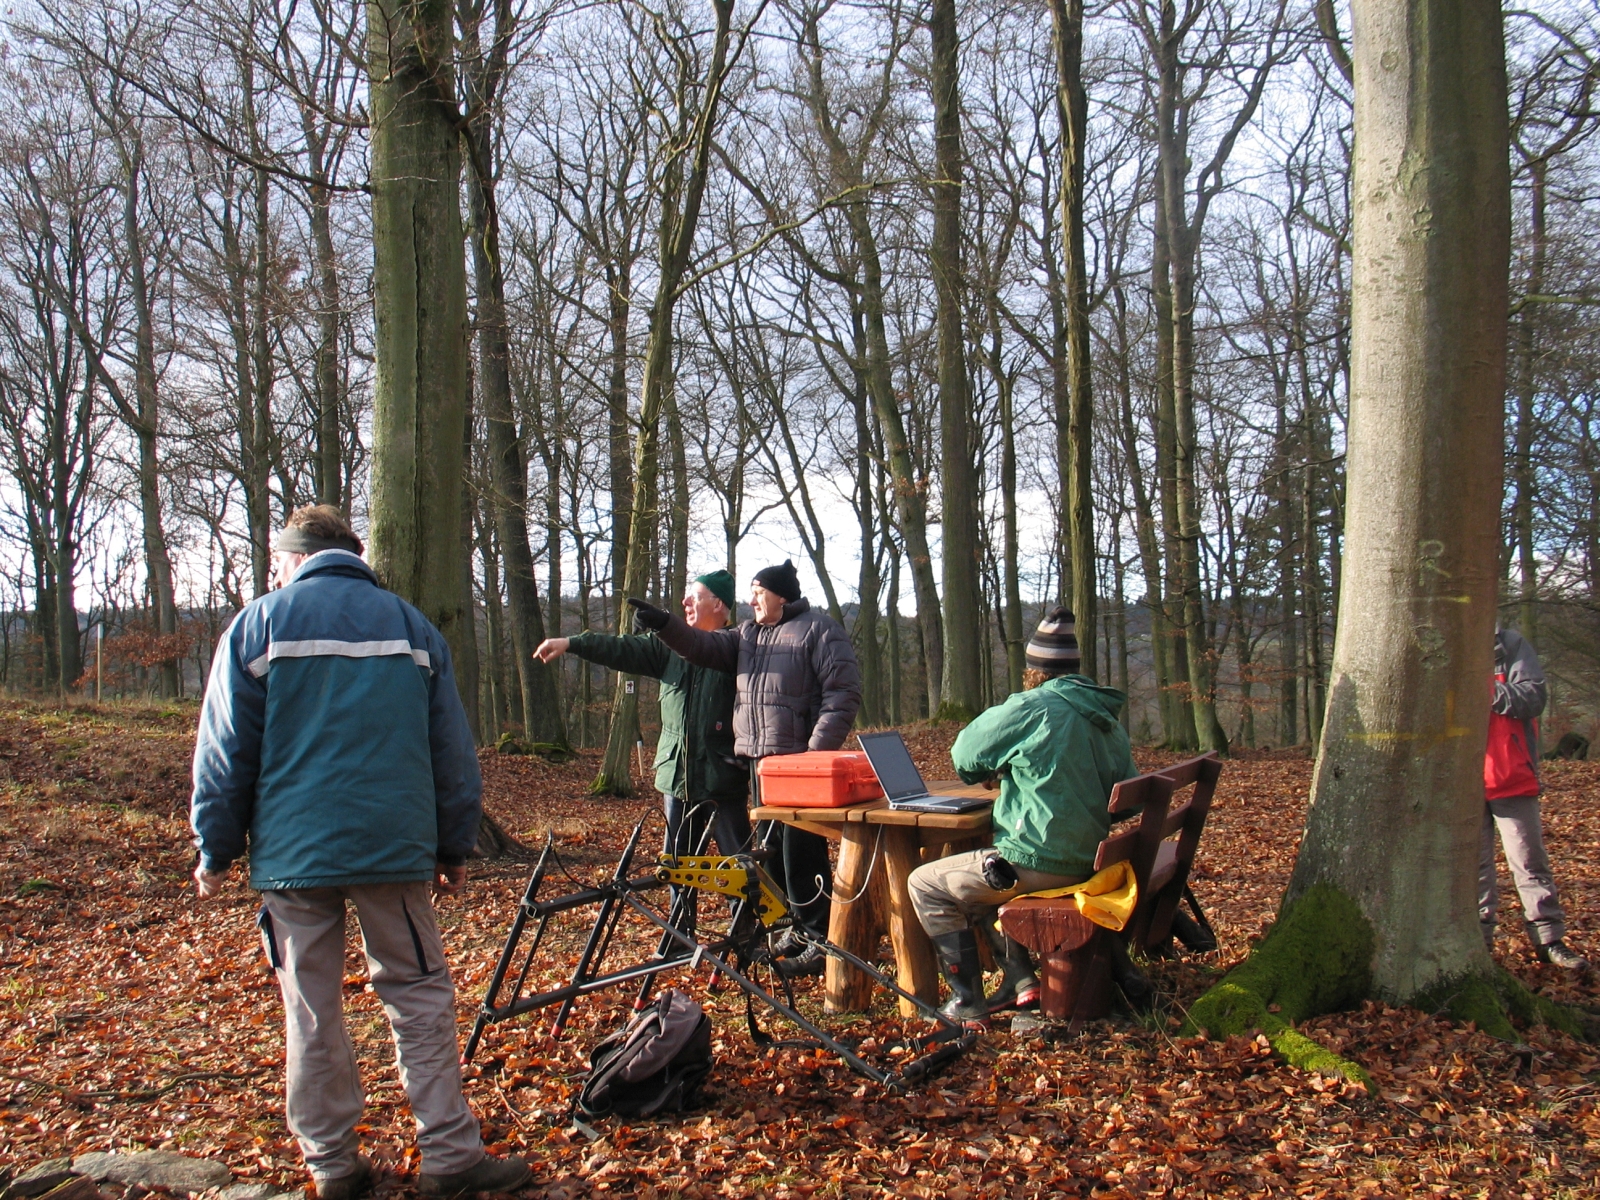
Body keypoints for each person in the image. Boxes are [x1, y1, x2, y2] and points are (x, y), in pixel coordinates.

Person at [189, 505, 531, 1200]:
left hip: (293, 854)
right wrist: (453, 846)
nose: (273, 574)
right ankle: (449, 1156)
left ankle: (332, 1167)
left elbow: (225, 750)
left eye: (277, 562)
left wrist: (214, 848)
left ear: (296, 557)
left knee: (310, 1009)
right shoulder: (411, 626)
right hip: (391, 849)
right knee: (418, 996)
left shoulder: (257, 625)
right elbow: (452, 752)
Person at [627, 560, 862, 977]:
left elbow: (843, 693)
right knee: (771, 855)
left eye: (758, 592)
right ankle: (793, 929)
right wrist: (664, 624)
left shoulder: (819, 630)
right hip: (760, 766)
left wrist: (813, 754)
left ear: (781, 596)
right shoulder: (747, 635)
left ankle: (818, 938)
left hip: (799, 766)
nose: (751, 600)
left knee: (801, 854)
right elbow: (701, 646)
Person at [907, 608, 1137, 1020]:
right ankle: (1019, 979)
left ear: (1035, 670)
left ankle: (966, 1002)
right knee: (979, 872)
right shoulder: (1105, 716)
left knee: (925, 883)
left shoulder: (1034, 706)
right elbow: (1128, 800)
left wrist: (997, 770)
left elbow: (965, 755)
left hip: (1042, 864)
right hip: (1094, 861)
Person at [534, 571, 751, 865]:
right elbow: (621, 648)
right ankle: (680, 900)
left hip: (723, 781)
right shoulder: (667, 648)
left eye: (695, 596)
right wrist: (572, 643)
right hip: (678, 781)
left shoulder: (741, 649)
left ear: (717, 604)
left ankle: (749, 898)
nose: (685, 602)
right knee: (676, 872)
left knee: (742, 871)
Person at [1481, 625, 1588, 971]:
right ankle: (1479, 945)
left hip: (1511, 775)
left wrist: (1484, 691)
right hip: (1458, 781)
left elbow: (1533, 697)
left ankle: (1549, 941)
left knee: (1529, 862)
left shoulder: (1509, 644)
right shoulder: (1440, 642)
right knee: (1472, 869)